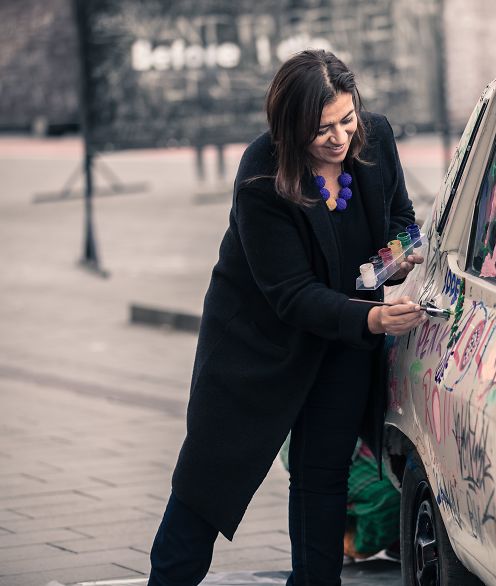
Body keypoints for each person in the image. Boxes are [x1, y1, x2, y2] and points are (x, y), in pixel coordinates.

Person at [148, 49, 425, 586]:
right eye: (322, 129)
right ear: (289, 127)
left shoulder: (377, 137)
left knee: (322, 478)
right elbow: (293, 295)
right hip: (260, 346)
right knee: (209, 480)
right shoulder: (262, 176)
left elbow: (401, 220)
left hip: (342, 337)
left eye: (347, 120)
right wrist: (373, 319)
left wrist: (392, 258)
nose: (341, 139)